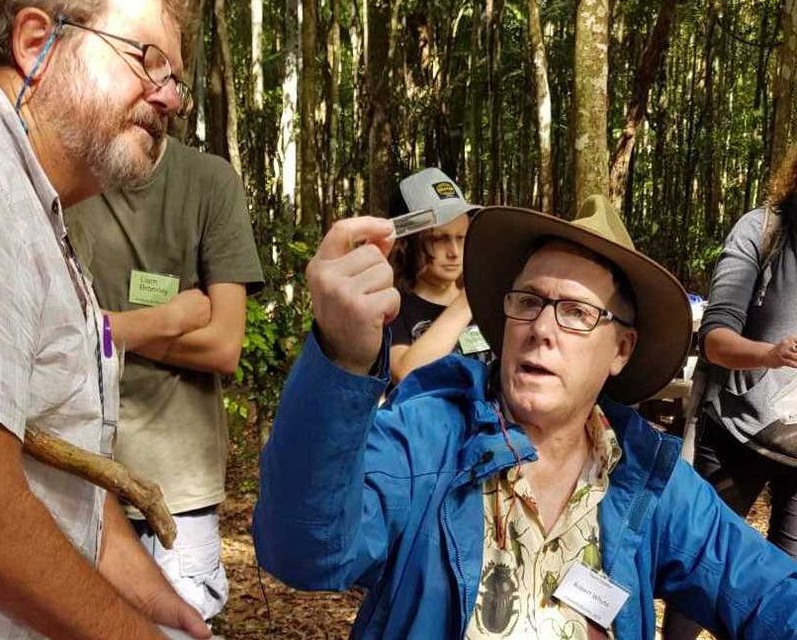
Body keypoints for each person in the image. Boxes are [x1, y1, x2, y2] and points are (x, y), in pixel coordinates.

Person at [253, 195, 797, 639]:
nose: (542, 327)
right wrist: (342, 357)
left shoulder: (644, 478)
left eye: (579, 313)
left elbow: (765, 593)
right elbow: (306, 552)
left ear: (621, 350)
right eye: (529, 302)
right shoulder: (430, 435)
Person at [0, 0, 213, 640]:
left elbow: (70, 490)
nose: (169, 97)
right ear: (37, 42)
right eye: (145, 59)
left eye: (177, 78)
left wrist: (164, 607)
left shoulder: (49, 213)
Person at [65, 135, 264, 620]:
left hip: (179, 488)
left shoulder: (209, 180)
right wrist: (170, 318)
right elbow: (56, 338)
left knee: (178, 623)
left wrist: (107, 328)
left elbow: (223, 347)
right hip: (80, 474)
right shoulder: (66, 180)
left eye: (172, 74)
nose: (162, 91)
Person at [662, 147, 797, 638]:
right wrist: (771, 354)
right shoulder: (763, 231)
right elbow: (715, 341)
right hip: (738, 430)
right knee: (704, 571)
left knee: (784, 594)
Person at [386, 168, 486, 382]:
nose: (454, 252)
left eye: (461, 238)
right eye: (439, 239)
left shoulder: (488, 302)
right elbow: (405, 374)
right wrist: (467, 301)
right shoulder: (392, 306)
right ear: (407, 243)